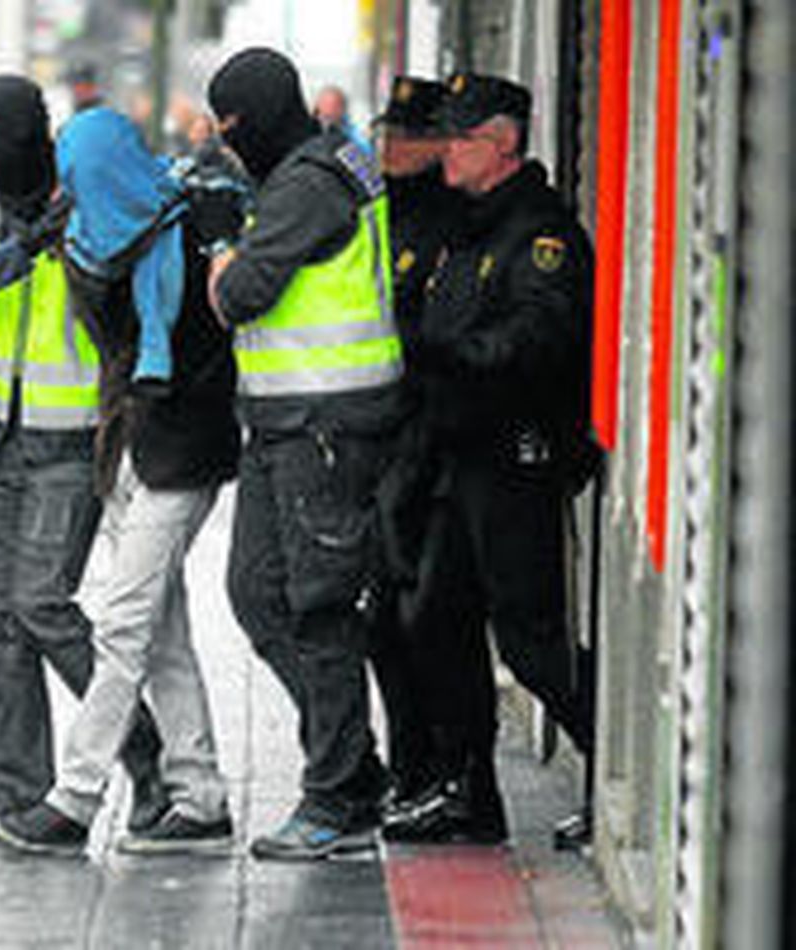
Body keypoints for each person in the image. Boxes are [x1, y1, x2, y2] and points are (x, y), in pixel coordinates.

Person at [0, 108, 242, 856]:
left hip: (182, 451)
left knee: (124, 626)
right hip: (128, 447)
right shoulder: (88, 242)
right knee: (162, 633)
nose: (70, 186)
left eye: (80, 172)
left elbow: (207, 347)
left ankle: (75, 798)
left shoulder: (188, 235)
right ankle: (199, 796)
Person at [0, 76, 166, 841]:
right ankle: (15, 787)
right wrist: (22, 249)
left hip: (70, 439)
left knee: (41, 605)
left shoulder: (85, 195)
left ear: (20, 137)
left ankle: (145, 756)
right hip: (0, 436)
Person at [381, 74, 598, 845]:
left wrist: (437, 351)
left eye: (461, 136)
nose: (446, 148)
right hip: (456, 456)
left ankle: (616, 773)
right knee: (433, 621)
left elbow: (534, 343)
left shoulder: (540, 237)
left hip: (514, 460)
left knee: (531, 642)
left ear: (502, 144)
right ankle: (469, 794)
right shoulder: (468, 228)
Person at [206, 48, 405, 861]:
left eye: (232, 129)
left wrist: (220, 251)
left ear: (260, 117)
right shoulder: (322, 164)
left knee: (320, 607)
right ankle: (353, 765)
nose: (227, 145)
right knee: (256, 594)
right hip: (285, 421)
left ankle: (335, 799)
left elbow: (240, 296)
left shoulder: (309, 184)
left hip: (326, 423)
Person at [365, 75, 469, 807]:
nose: (391, 147)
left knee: (425, 620)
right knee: (384, 623)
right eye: (387, 133)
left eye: (408, 136)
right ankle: (412, 769)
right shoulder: (380, 213)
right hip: (386, 440)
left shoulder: (451, 224)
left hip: (434, 446)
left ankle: (445, 771)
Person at [313, 84, 373, 157]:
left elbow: (366, 157)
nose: (321, 117)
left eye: (335, 106)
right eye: (326, 105)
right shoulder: (311, 128)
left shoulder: (353, 134)